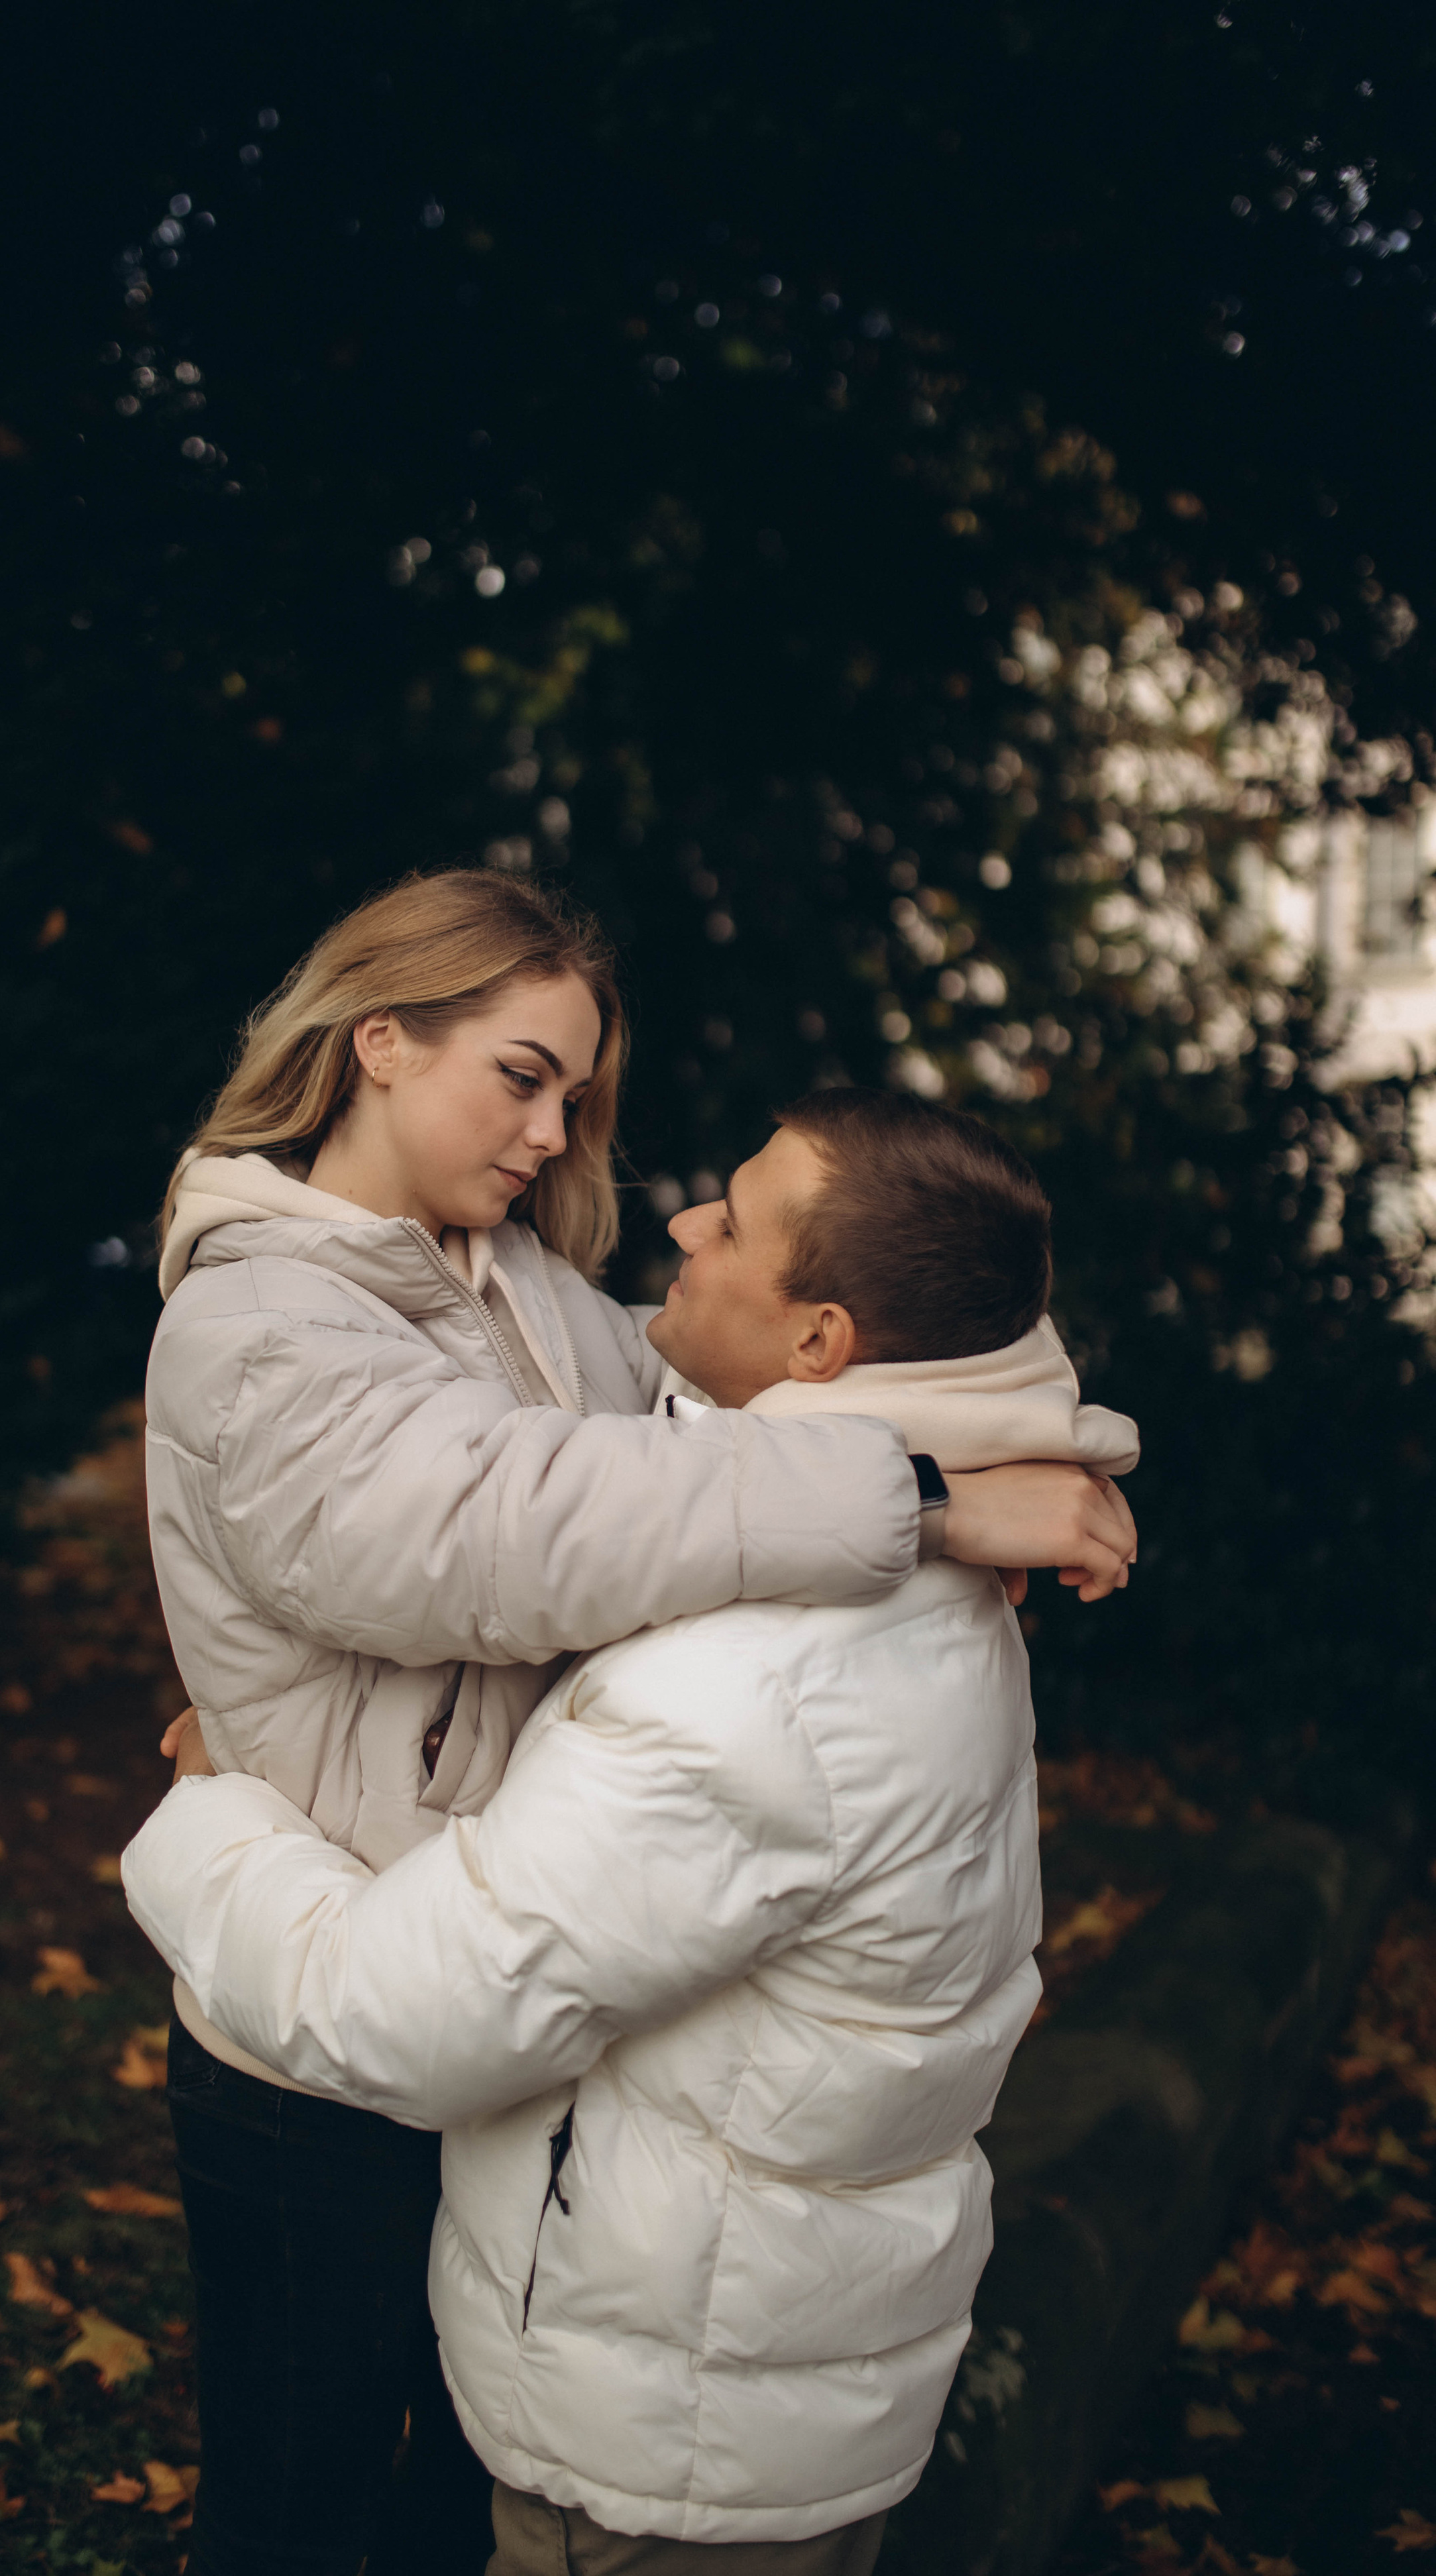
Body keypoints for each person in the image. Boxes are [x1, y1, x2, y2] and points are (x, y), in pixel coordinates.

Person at [138, 869, 1138, 2576]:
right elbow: (497, 1525)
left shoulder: (517, 1287)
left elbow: (751, 1382)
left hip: (500, 2006)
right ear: (379, 1041)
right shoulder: (254, 1314)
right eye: (520, 1076)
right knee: (293, 2519)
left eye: (574, 1093)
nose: (554, 1130)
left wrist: (1004, 1428)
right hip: (309, 2038)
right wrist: (921, 1494)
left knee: (448, 2506)